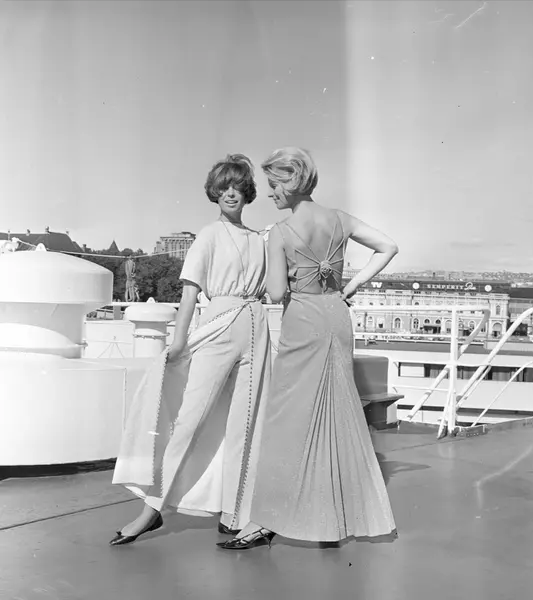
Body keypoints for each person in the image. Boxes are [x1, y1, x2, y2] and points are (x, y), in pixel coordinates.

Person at [218, 147, 399, 550]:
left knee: (287, 421)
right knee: (336, 415)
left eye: (274, 185)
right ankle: (330, 518)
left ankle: (265, 521)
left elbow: (275, 292)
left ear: (290, 183)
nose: (271, 194)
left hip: (302, 320)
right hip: (336, 315)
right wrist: (351, 286)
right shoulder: (339, 219)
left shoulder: (280, 232)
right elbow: (388, 247)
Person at [110, 154, 271, 545]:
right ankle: (152, 510)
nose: (231, 194)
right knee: (189, 421)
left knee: (246, 427)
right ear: (215, 193)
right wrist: (179, 342)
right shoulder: (208, 236)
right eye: (224, 188)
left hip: (258, 328)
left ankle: (235, 513)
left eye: (237, 187)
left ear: (247, 193)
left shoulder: (261, 240)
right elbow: (189, 294)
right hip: (219, 325)